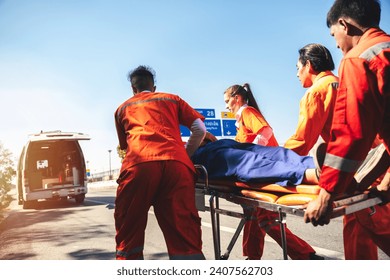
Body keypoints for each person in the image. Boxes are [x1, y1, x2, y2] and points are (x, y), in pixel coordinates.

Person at [303, 0, 390, 258]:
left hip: (346, 168)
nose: (337, 44)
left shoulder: (359, 58)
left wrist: (327, 194)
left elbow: (352, 132)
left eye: (334, 35)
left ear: (344, 24)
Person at [114, 65, 206, 260]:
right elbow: (200, 129)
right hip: (176, 167)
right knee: (185, 235)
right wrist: (184, 155)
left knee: (128, 229)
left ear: (133, 89)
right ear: (153, 87)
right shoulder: (172, 99)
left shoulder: (122, 108)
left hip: (139, 166)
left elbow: (125, 147)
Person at [220, 84, 321, 260]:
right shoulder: (241, 120)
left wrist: (253, 152)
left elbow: (266, 131)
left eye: (227, 101)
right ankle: (252, 258)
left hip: (267, 171)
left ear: (237, 98)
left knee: (268, 221)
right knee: (252, 216)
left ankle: (306, 256)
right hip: (259, 172)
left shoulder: (247, 112)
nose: (226, 106)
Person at [284, 43, 339, 155]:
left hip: (349, 161)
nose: (297, 74)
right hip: (372, 155)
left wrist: (278, 154)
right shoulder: (342, 82)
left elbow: (303, 141)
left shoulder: (315, 93)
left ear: (308, 65)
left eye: (298, 68)